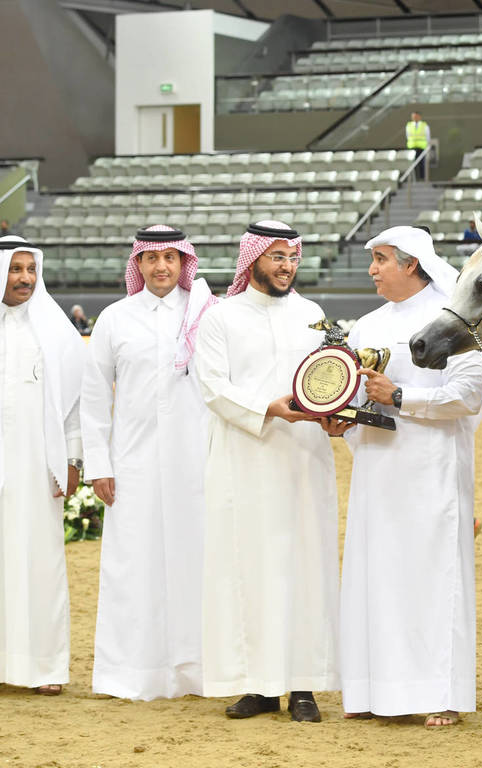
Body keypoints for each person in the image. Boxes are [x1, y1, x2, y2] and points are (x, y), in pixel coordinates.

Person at [335, 225, 482, 727]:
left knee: (431, 578)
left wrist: (400, 397)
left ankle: (442, 693)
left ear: (411, 264)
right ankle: (372, 689)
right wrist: (340, 416)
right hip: (377, 471)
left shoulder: (454, 323)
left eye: (380, 259)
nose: (373, 269)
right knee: (375, 576)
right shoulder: (366, 326)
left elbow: (466, 396)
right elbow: (357, 395)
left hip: (433, 469)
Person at [194, 221, 340, 722]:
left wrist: (333, 409)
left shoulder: (312, 314)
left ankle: (302, 686)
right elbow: (211, 387)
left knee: (303, 568)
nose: (286, 266)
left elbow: (327, 378)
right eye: (277, 257)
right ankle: (258, 686)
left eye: (293, 257)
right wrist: (268, 408)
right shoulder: (221, 317)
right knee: (250, 570)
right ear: (252, 258)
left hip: (303, 460)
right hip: (245, 461)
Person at [80, 225, 217, 701]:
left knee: (195, 561)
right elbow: (94, 397)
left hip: (197, 461)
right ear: (137, 265)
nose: (161, 267)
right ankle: (131, 674)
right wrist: (99, 463)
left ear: (184, 263)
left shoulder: (207, 315)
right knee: (131, 565)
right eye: (152, 258)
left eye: (170, 258)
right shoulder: (115, 318)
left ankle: (198, 673)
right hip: (132, 464)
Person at [0, 235, 85, 696]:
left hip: (37, 466)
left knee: (40, 562)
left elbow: (73, 403)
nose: (26, 279)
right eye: (16, 269)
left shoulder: (53, 328)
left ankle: (43, 667)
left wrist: (72, 457)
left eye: (31, 270)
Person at [405, 111, 430, 181]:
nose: (414, 118)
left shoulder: (424, 125)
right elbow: (407, 136)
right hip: (412, 147)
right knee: (413, 164)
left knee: (422, 163)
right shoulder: (409, 125)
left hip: (421, 147)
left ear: (419, 117)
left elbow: (428, 137)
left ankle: (422, 178)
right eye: (413, 116)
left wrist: (426, 145)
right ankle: (414, 179)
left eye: (415, 116)